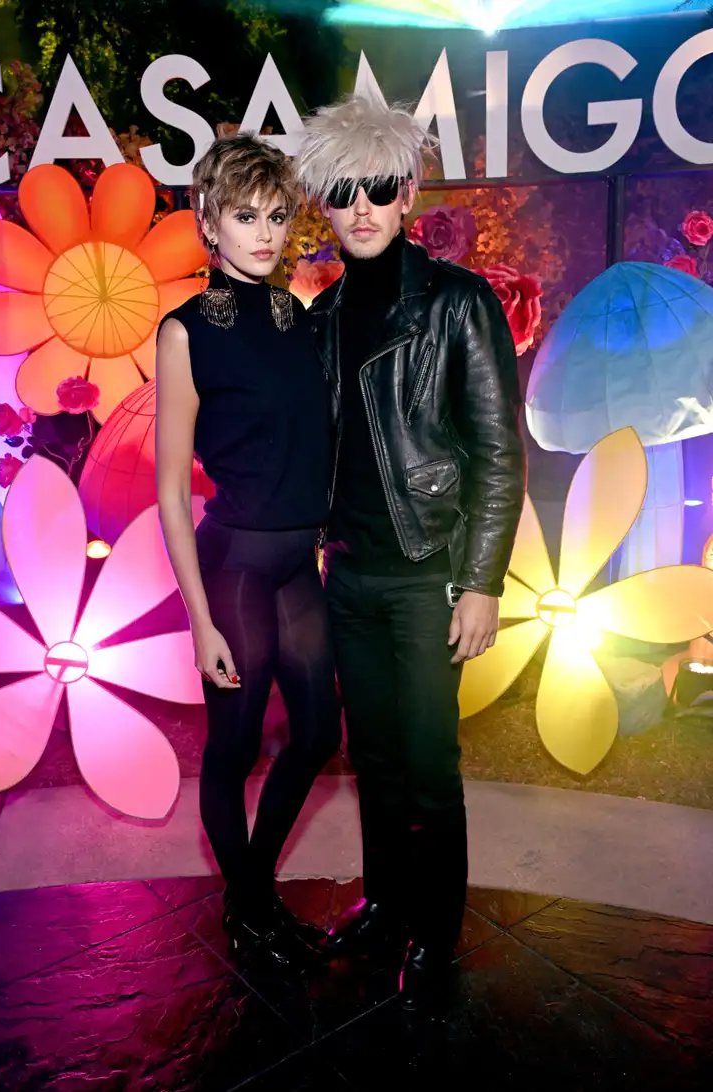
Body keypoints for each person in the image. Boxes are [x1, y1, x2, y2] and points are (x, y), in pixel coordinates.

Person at [296, 96, 526, 1008]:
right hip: (349, 573)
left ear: (407, 194)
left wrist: (482, 582)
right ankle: (387, 904)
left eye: (378, 189)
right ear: (326, 201)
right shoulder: (324, 312)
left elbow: (499, 451)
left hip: (430, 575)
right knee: (376, 761)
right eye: (343, 192)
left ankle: (436, 930)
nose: (361, 208)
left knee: (430, 766)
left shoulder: (457, 302)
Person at [156, 134, 341, 966]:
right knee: (232, 748)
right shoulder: (185, 332)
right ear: (209, 222)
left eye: (275, 216)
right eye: (245, 216)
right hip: (233, 567)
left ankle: (253, 891)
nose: (264, 234)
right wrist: (200, 622)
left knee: (318, 734)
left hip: (298, 565)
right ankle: (252, 908)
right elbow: (170, 488)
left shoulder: (296, 317)